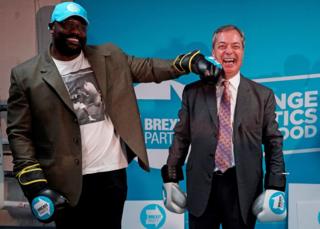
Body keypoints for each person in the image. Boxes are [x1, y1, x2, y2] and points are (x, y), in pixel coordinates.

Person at [6, 2, 219, 228]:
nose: (76, 32)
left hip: (112, 174)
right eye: (68, 25)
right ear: (52, 27)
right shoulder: (26, 75)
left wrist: (189, 62)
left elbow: (150, 67)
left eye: (81, 26)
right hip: (65, 180)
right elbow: (19, 133)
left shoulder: (110, 55)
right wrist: (35, 183)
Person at [161, 25, 286, 228]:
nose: (229, 51)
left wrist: (276, 185)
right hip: (202, 185)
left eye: (235, 46)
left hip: (243, 187)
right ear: (213, 52)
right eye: (222, 46)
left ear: (243, 52)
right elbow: (181, 137)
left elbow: (274, 141)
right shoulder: (192, 92)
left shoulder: (263, 96)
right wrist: (170, 177)